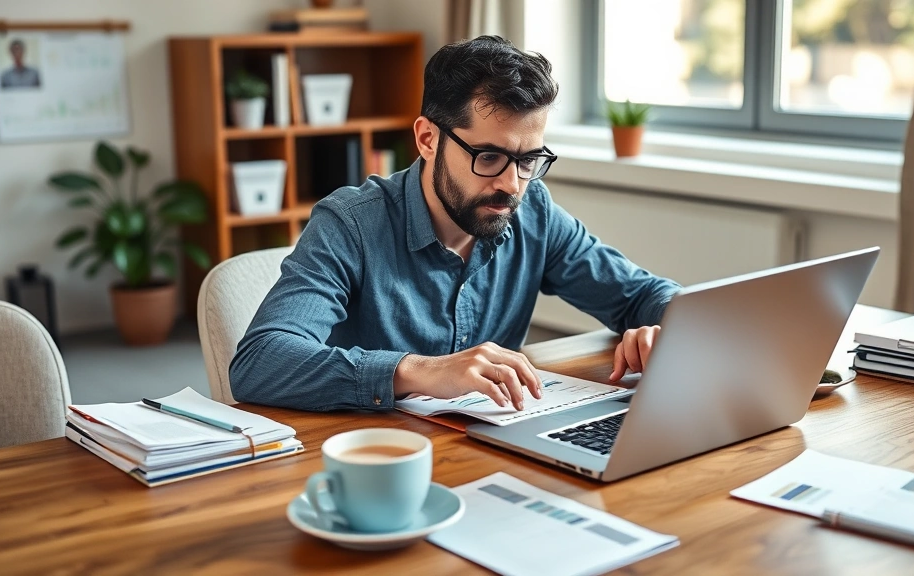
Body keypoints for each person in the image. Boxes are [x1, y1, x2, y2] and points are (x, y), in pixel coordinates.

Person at [229, 35, 680, 412]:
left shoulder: (533, 211)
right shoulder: (350, 224)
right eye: (489, 157)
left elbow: (643, 293)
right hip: (379, 463)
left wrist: (660, 330)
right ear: (428, 139)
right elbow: (260, 362)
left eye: (529, 160)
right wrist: (419, 370)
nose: (512, 184)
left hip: (493, 453)